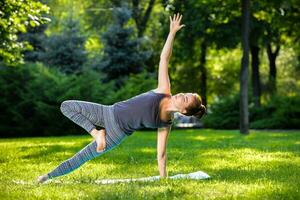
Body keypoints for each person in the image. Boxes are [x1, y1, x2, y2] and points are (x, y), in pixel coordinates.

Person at [37, 13, 206, 184]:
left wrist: (163, 179)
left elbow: (161, 153)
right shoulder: (164, 90)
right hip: (107, 112)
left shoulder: (165, 123)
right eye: (185, 93)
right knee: (67, 106)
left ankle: (47, 177)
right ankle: (97, 133)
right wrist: (172, 33)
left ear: (184, 111)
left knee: (82, 157)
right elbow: (164, 58)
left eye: (185, 99)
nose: (181, 94)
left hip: (117, 134)